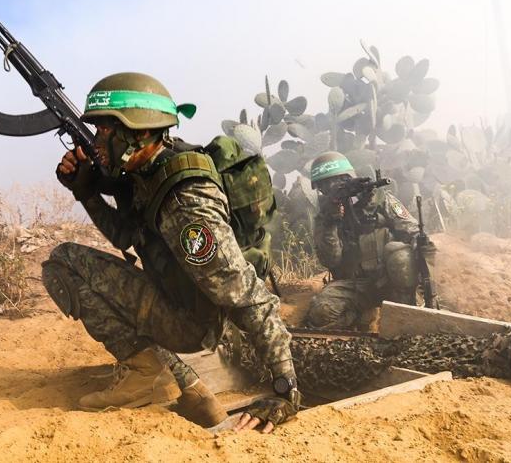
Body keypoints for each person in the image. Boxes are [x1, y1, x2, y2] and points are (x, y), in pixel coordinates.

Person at [43, 72, 300, 432]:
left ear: (140, 133)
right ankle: (169, 376)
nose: (96, 142)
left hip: (191, 324)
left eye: (104, 130)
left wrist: (284, 389)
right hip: (176, 300)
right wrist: (86, 192)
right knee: (65, 262)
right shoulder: (146, 170)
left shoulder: (186, 201)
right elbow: (123, 235)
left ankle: (148, 373)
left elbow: (245, 293)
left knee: (64, 262)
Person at [304, 152, 436, 332]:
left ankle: (409, 312)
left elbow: (411, 228)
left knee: (400, 256)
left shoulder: (379, 198)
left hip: (391, 280)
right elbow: (331, 260)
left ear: (349, 177)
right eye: (325, 185)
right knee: (321, 313)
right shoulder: (324, 218)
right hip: (355, 285)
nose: (331, 187)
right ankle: (363, 319)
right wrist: (331, 223)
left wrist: (420, 245)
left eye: (338, 181)